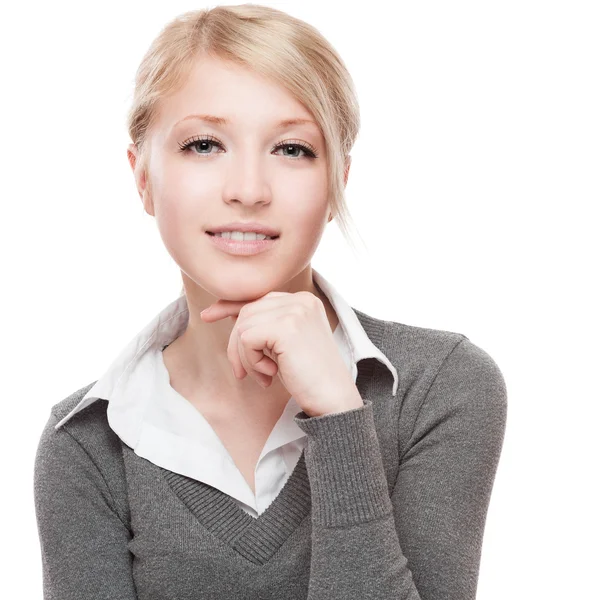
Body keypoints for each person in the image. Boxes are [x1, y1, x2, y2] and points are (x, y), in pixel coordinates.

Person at [33, 4, 508, 599]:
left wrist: (338, 413)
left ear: (337, 183)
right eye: (205, 145)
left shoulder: (441, 388)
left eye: (292, 150)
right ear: (142, 178)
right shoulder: (87, 440)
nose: (249, 191)